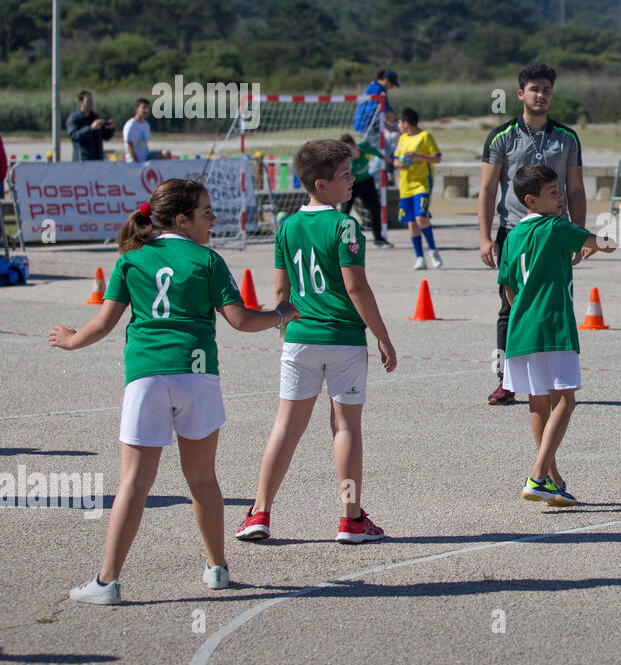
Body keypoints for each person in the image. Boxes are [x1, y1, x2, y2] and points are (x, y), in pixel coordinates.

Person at [49, 179, 297, 604]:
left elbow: (104, 324)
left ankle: (107, 583)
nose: (213, 218)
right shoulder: (207, 260)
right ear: (182, 220)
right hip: (197, 376)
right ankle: (217, 567)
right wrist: (279, 314)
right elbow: (239, 320)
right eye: (205, 211)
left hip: (147, 376)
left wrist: (71, 339)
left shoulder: (132, 259)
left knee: (133, 482)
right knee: (202, 478)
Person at [236, 140, 397, 544]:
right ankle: (350, 518)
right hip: (342, 338)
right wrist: (382, 335)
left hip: (299, 338)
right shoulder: (344, 226)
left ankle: (259, 512)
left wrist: (286, 328)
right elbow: (356, 286)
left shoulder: (287, 226)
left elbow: (280, 291)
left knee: (286, 427)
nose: (352, 179)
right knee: (346, 428)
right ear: (322, 184)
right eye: (345, 174)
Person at [499, 165, 616, 506]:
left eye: (560, 190)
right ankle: (537, 476)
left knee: (539, 402)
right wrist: (602, 240)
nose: (561, 197)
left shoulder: (511, 237)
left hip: (521, 330)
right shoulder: (555, 226)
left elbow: (508, 288)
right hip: (552, 327)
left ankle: (553, 480)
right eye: (553, 193)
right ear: (530, 200)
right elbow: (605, 245)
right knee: (565, 400)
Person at [479, 63, 586, 406]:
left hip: (555, 232)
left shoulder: (566, 137)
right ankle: (505, 379)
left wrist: (580, 235)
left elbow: (576, 188)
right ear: (521, 93)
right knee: (509, 307)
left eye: (547, 90)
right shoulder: (501, 136)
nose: (542, 96)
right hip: (514, 230)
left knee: (554, 301)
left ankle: (552, 378)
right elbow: (487, 188)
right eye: (535, 89)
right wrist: (484, 236)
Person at [395, 108, 442, 269]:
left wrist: (417, 156)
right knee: (411, 223)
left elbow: (437, 158)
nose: (398, 126)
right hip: (405, 186)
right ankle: (419, 257)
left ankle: (433, 251)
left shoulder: (425, 136)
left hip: (422, 185)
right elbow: (395, 160)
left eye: (399, 122)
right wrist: (400, 164)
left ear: (406, 123)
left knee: (420, 218)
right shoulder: (402, 139)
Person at [339, 133, 391, 247]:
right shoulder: (346, 160)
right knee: (344, 211)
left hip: (366, 182)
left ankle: (378, 238)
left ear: (354, 145)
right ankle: (340, 239)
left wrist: (385, 158)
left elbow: (375, 152)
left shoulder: (364, 147)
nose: (347, 153)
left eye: (348, 149)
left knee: (375, 209)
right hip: (352, 185)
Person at [353, 69, 398, 149]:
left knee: (379, 152)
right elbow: (372, 111)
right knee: (385, 152)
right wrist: (385, 124)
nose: (392, 88)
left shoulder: (375, 87)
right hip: (366, 127)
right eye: (392, 85)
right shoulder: (377, 89)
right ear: (386, 80)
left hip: (366, 126)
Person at [66, 91, 115, 162]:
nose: (91, 104)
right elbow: (74, 136)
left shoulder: (95, 117)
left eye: (92, 101)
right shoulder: (74, 118)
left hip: (97, 160)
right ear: (80, 102)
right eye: (88, 101)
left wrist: (110, 129)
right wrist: (90, 128)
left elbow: (105, 137)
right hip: (82, 161)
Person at [121, 98, 172, 163]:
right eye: (144, 108)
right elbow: (130, 148)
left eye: (148, 108)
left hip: (146, 157)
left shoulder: (146, 125)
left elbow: (145, 144)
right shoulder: (131, 125)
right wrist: (138, 163)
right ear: (136, 109)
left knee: (166, 154)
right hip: (134, 160)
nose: (146, 110)